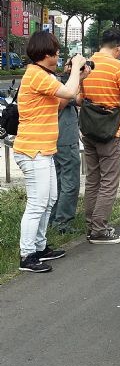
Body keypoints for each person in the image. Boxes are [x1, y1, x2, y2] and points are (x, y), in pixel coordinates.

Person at [13, 32, 88, 272]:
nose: (58, 56)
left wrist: (80, 75)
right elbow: (68, 93)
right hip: (33, 150)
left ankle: (40, 246)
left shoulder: (43, 75)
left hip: (43, 149)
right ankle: (27, 255)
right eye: (56, 53)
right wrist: (75, 67)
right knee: (37, 204)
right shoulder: (36, 74)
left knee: (49, 200)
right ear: (47, 54)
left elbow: (61, 102)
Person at [80, 29, 120, 244]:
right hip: (109, 129)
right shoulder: (118, 67)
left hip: (88, 127)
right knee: (109, 180)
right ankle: (100, 229)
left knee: (93, 179)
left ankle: (90, 224)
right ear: (119, 48)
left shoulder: (85, 63)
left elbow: (78, 97)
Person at [49, 58, 82, 234]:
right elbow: (78, 99)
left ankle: (54, 219)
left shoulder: (50, 79)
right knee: (70, 180)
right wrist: (79, 77)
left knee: (58, 179)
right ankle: (62, 223)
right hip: (65, 137)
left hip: (54, 136)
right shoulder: (60, 84)